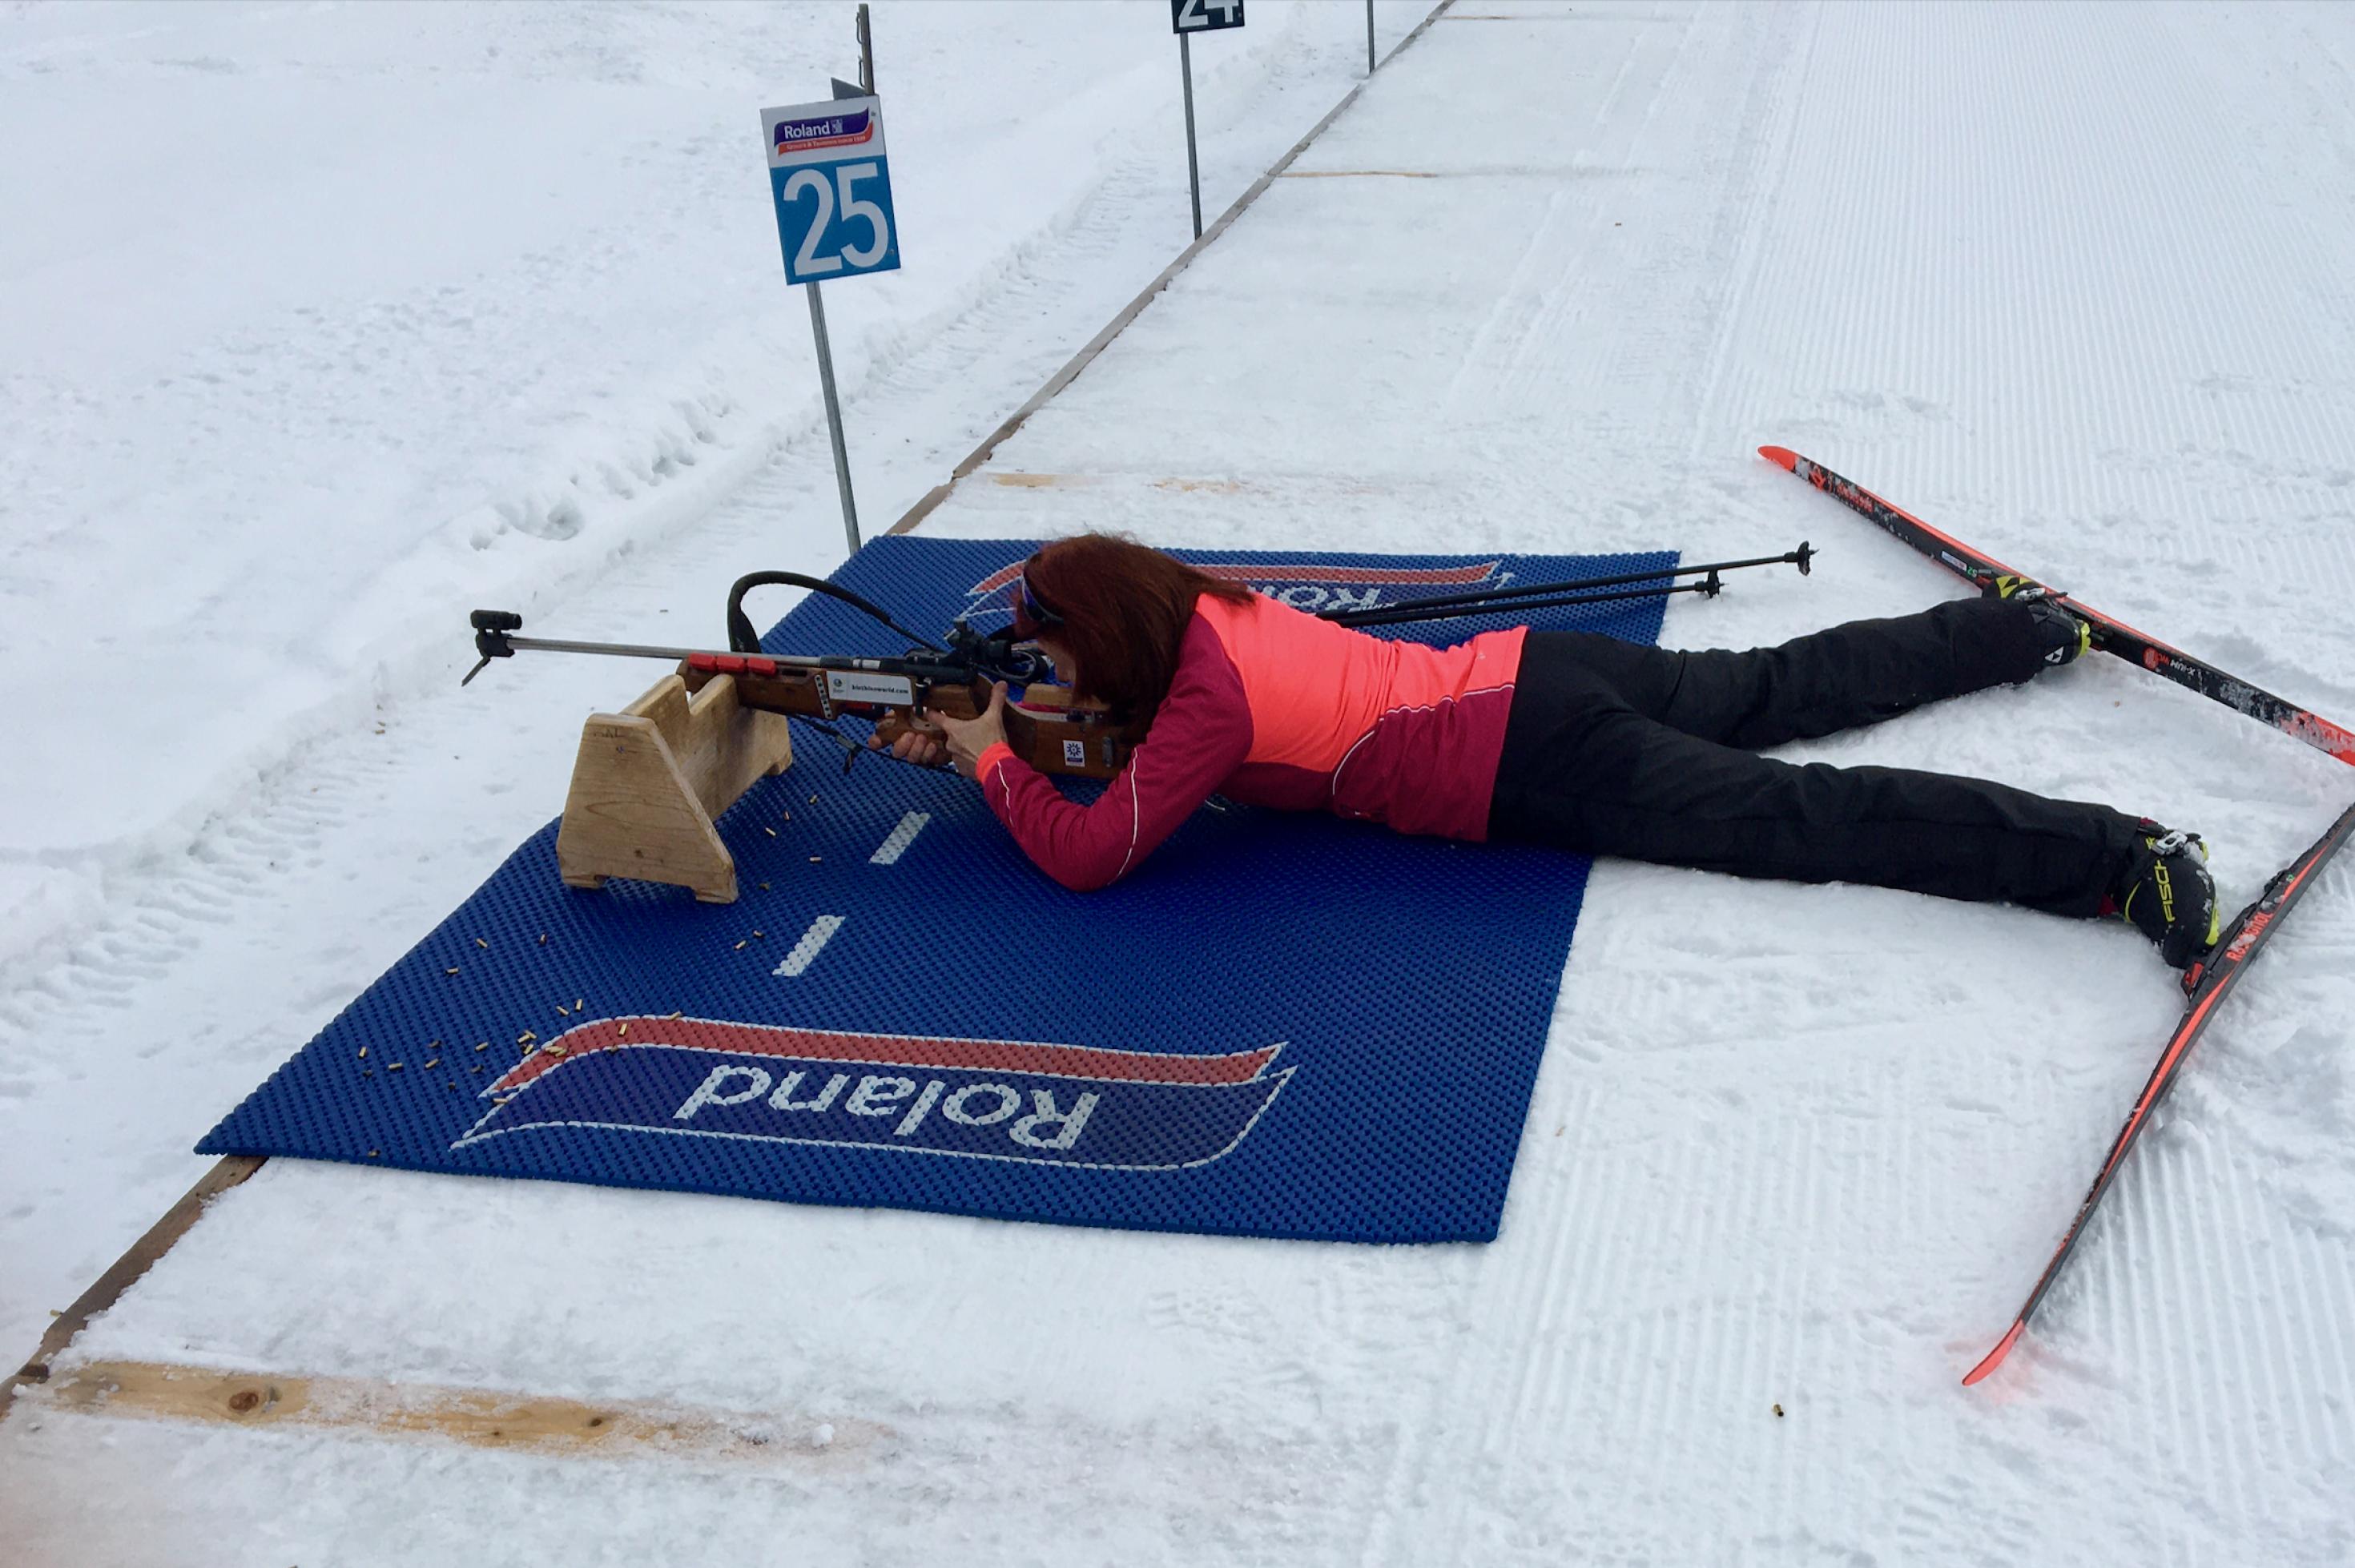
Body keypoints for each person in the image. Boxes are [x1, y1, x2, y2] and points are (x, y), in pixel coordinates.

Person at [874, 533, 2221, 967]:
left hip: (1530, 761)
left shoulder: (1199, 705)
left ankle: (2118, 861)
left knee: (1810, 817)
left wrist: (994, 759)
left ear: (1103, 640)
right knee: (1782, 683)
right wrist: (1008, 735)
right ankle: (2016, 631)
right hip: (1538, 668)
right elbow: (1140, 746)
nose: (1035, 676)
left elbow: (1098, 851)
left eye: (1046, 654)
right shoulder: (1208, 613)